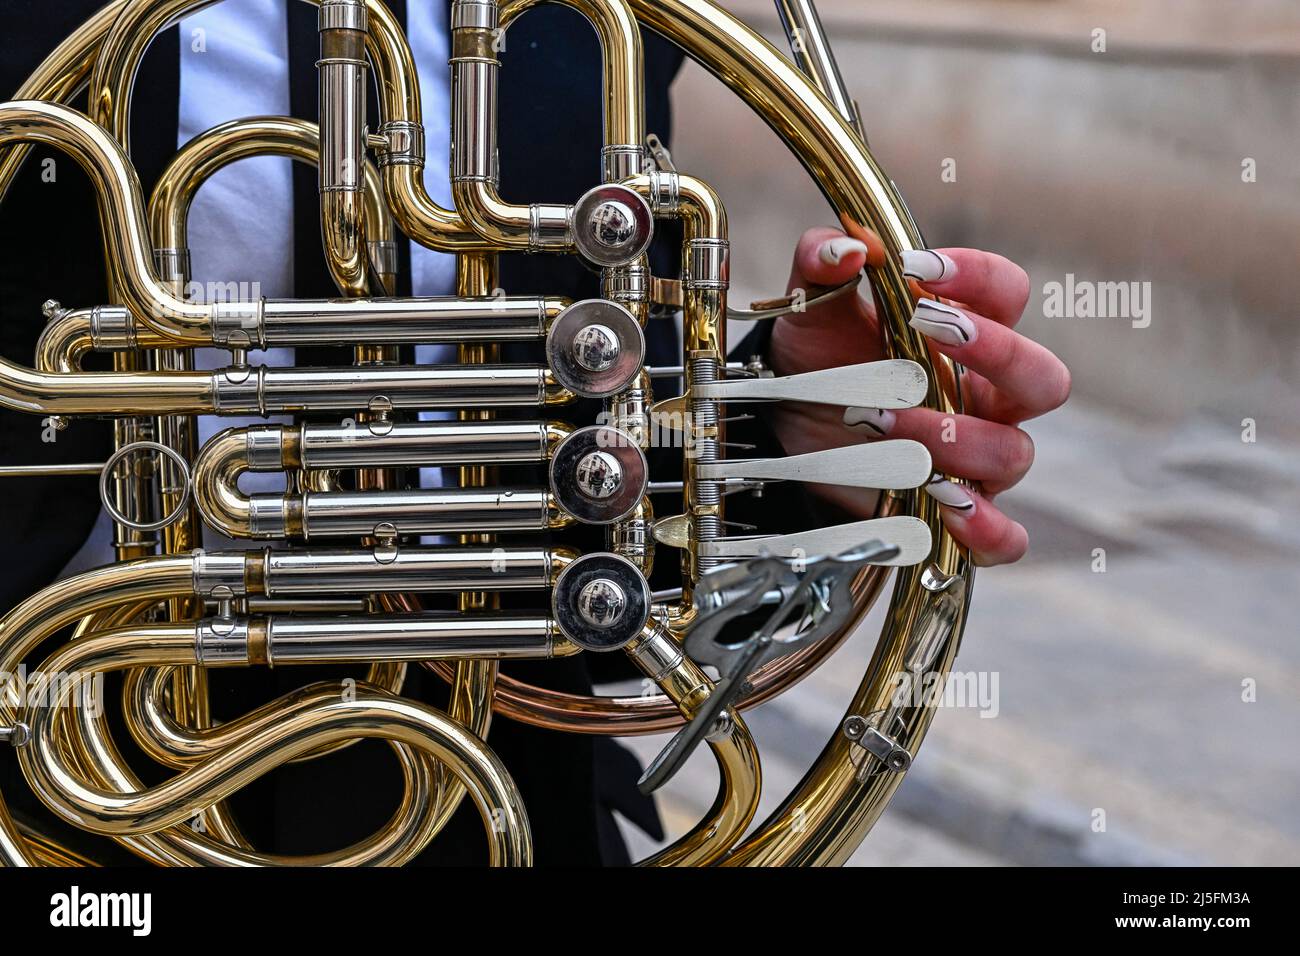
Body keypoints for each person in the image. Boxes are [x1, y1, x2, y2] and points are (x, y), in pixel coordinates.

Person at [0, 0, 1068, 865]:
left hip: (501, 789)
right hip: (62, 773)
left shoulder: (608, 25)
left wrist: (778, 428)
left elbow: (592, 421)